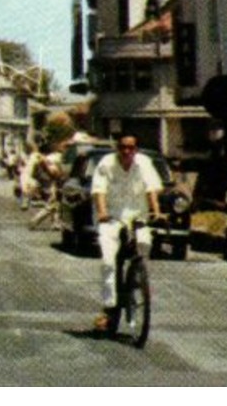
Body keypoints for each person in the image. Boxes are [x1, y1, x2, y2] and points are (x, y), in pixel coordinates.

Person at [91, 135, 163, 332]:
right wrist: (103, 213)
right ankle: (110, 306)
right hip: (112, 216)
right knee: (108, 260)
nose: (126, 152)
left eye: (131, 148)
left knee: (144, 246)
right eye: (122, 147)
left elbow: (151, 190)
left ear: (136, 149)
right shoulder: (106, 163)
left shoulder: (144, 164)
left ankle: (136, 281)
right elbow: (99, 192)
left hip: (137, 214)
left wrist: (156, 211)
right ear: (117, 148)